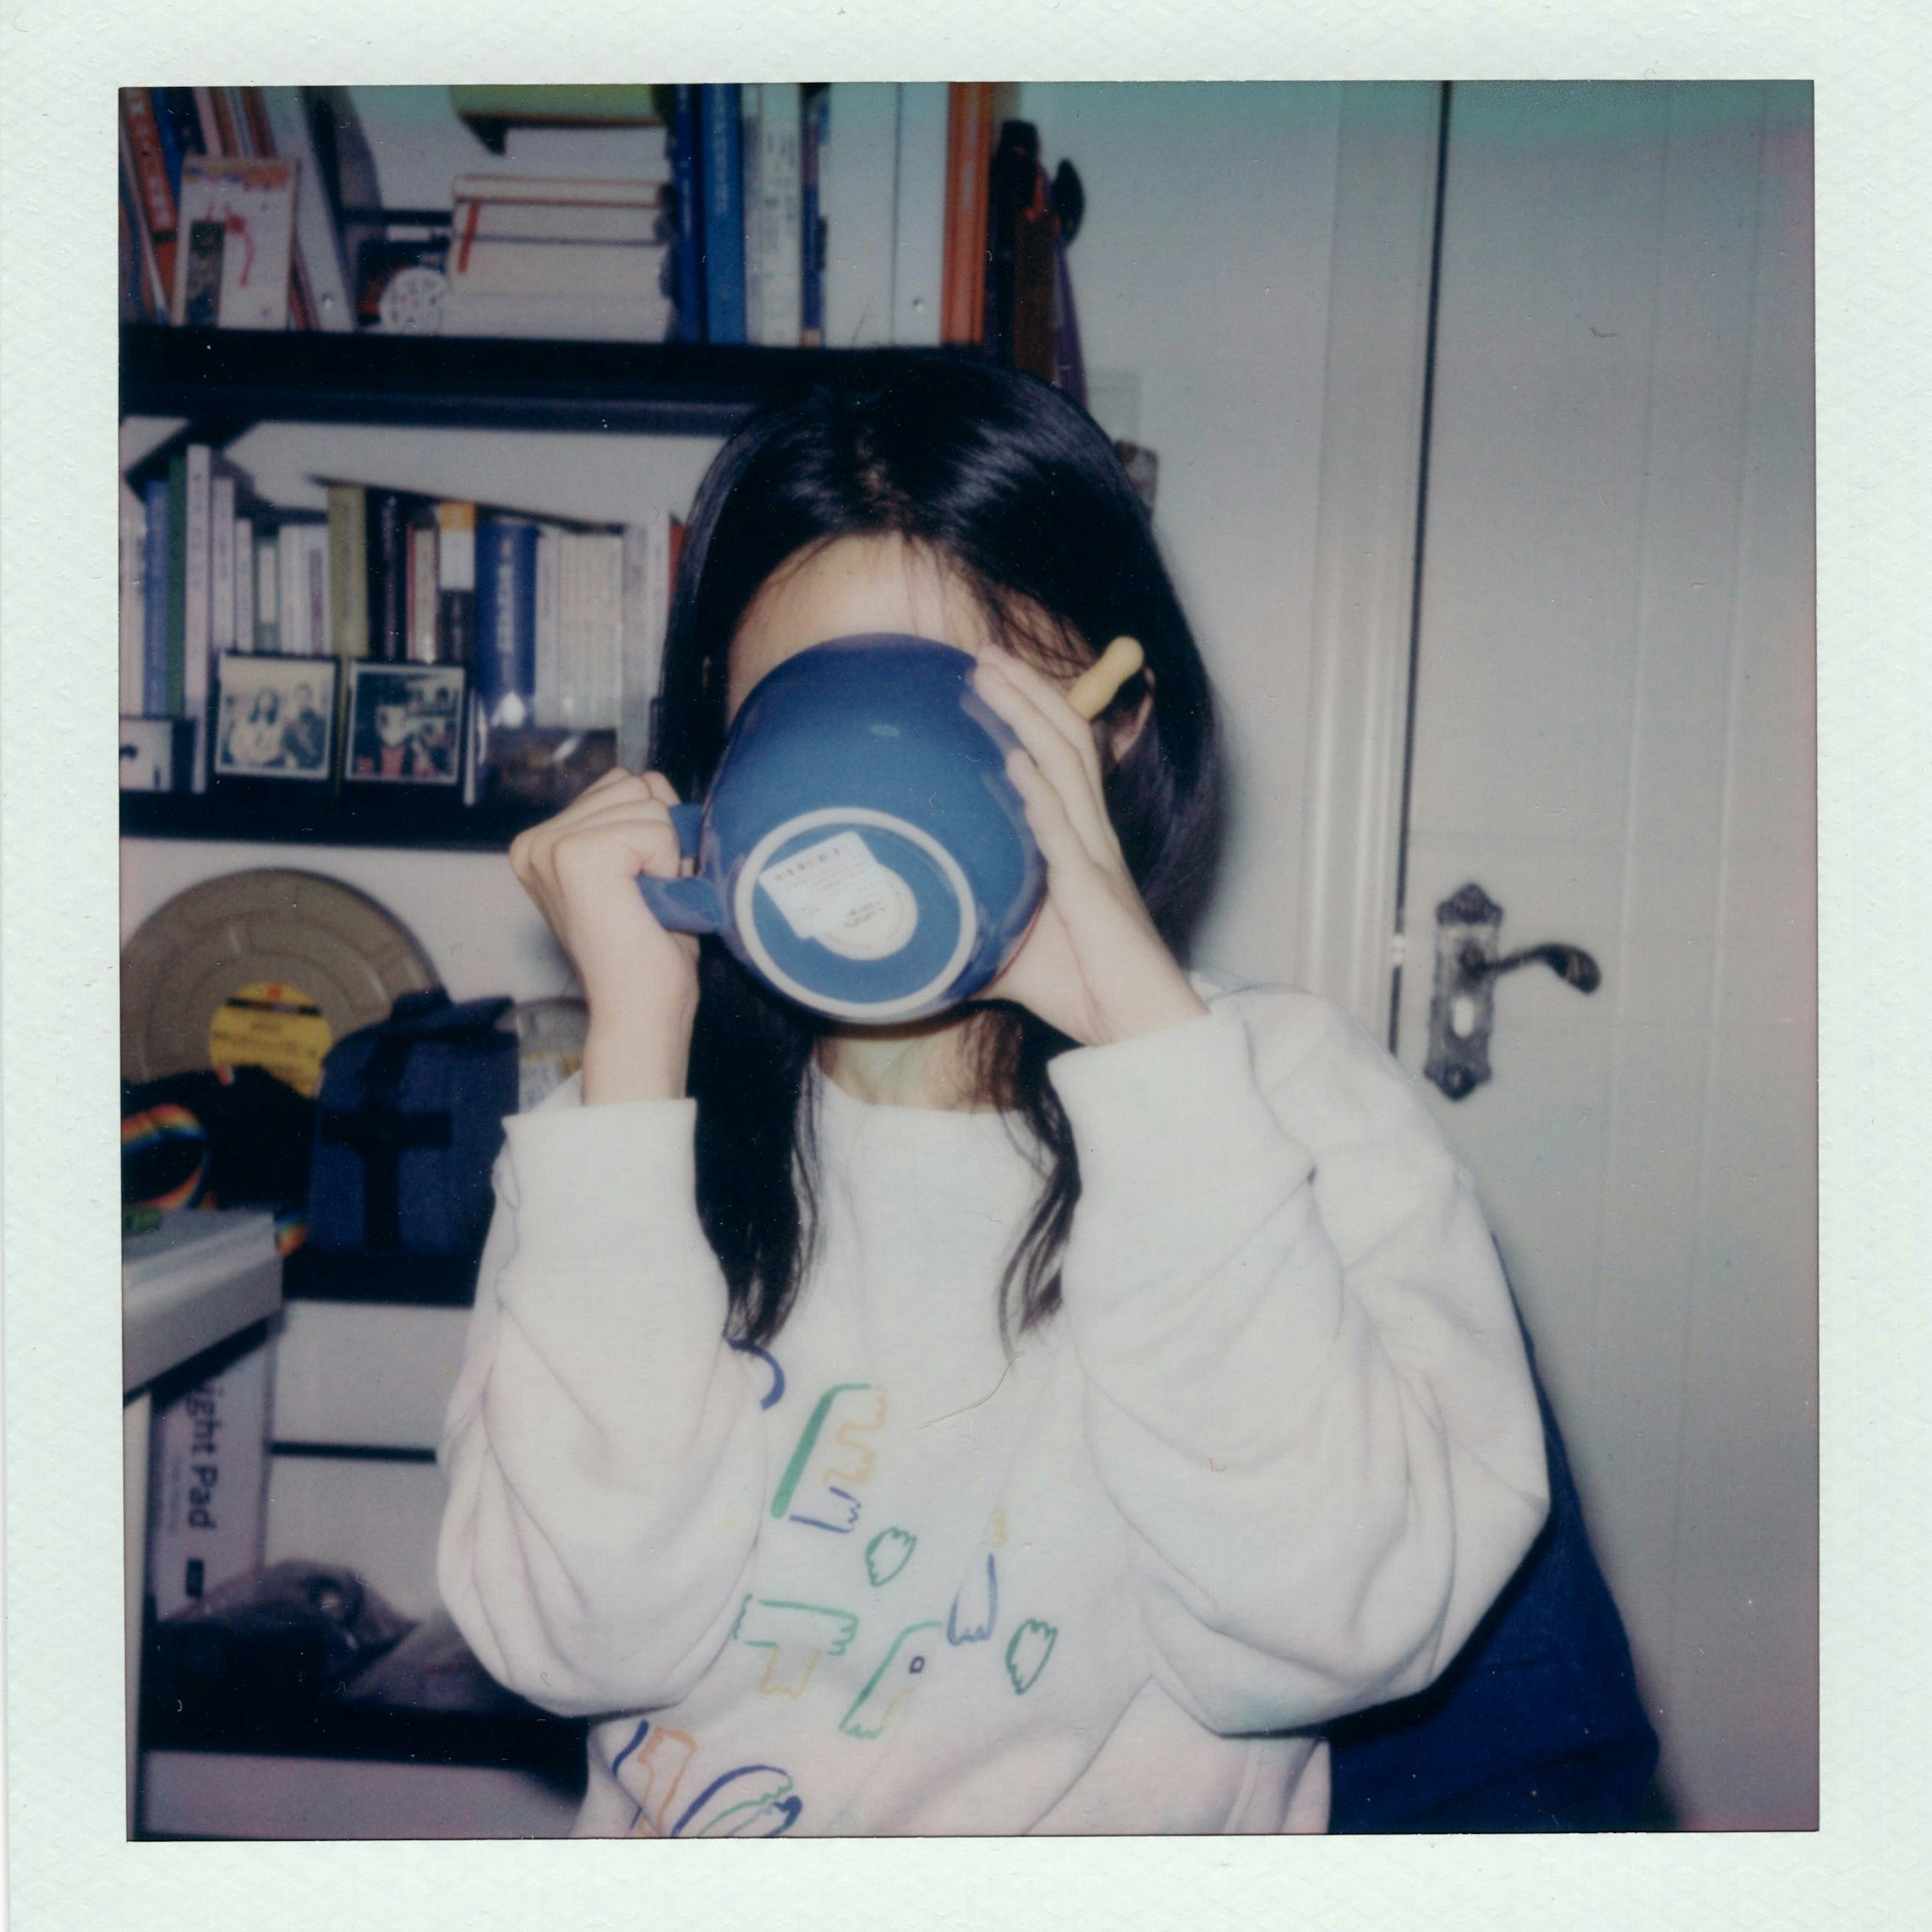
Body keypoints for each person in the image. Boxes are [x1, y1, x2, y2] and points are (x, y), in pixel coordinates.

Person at [436, 363, 1551, 1837]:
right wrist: (634, 1050)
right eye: (810, 702)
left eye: (978, 706)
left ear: (1118, 718)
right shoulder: (626, 1143)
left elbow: (1332, 1631)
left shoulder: (1284, 1098)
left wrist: (1147, 1056)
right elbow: (570, 1643)